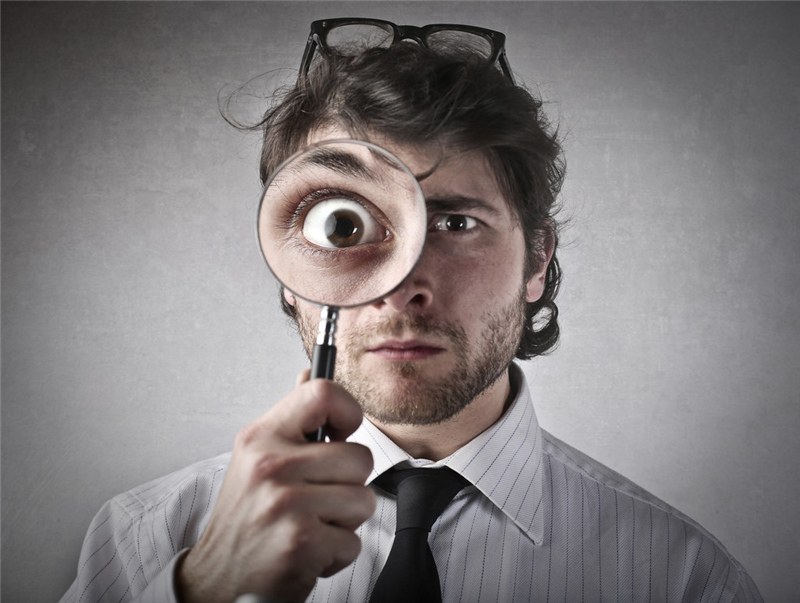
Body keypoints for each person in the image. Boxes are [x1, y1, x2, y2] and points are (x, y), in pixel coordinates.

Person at [59, 19, 763, 603]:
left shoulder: (681, 579)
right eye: (344, 226)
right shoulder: (147, 543)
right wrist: (204, 588)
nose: (401, 288)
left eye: (455, 224)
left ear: (537, 260)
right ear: (288, 268)